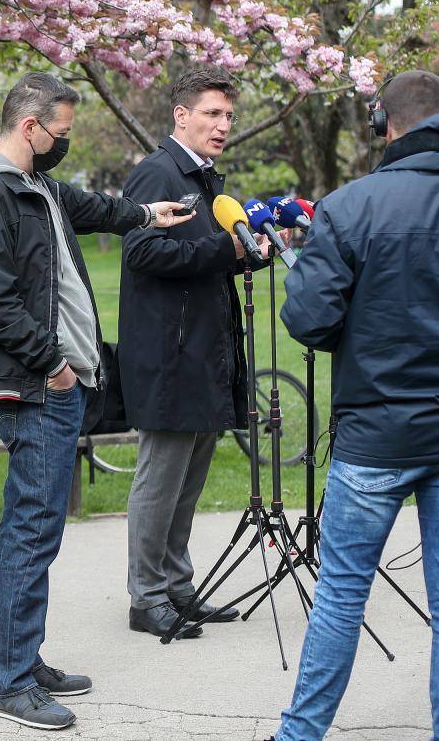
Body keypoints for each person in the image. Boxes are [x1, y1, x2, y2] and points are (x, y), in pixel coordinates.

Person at [272, 71, 439, 741]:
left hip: (376, 434)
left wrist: (359, 329)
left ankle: (299, 735)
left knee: (341, 597)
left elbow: (308, 320)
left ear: (385, 126)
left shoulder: (349, 205)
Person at [0, 72, 195, 731]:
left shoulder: (37, 187)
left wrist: (149, 213)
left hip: (58, 385)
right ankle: (9, 680)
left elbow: (96, 209)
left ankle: (24, 660)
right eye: (61, 132)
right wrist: (54, 365)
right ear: (30, 128)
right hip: (36, 386)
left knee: (40, 532)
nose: (65, 143)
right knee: (29, 534)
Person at [118, 66, 269, 638]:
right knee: (160, 480)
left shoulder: (207, 180)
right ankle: (147, 597)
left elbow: (210, 255)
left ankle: (179, 589)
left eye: (229, 115)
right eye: (212, 113)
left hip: (208, 350)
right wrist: (222, 248)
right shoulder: (156, 173)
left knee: (189, 480)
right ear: (181, 116)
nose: (223, 124)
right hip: (169, 354)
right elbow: (143, 254)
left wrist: (247, 248)